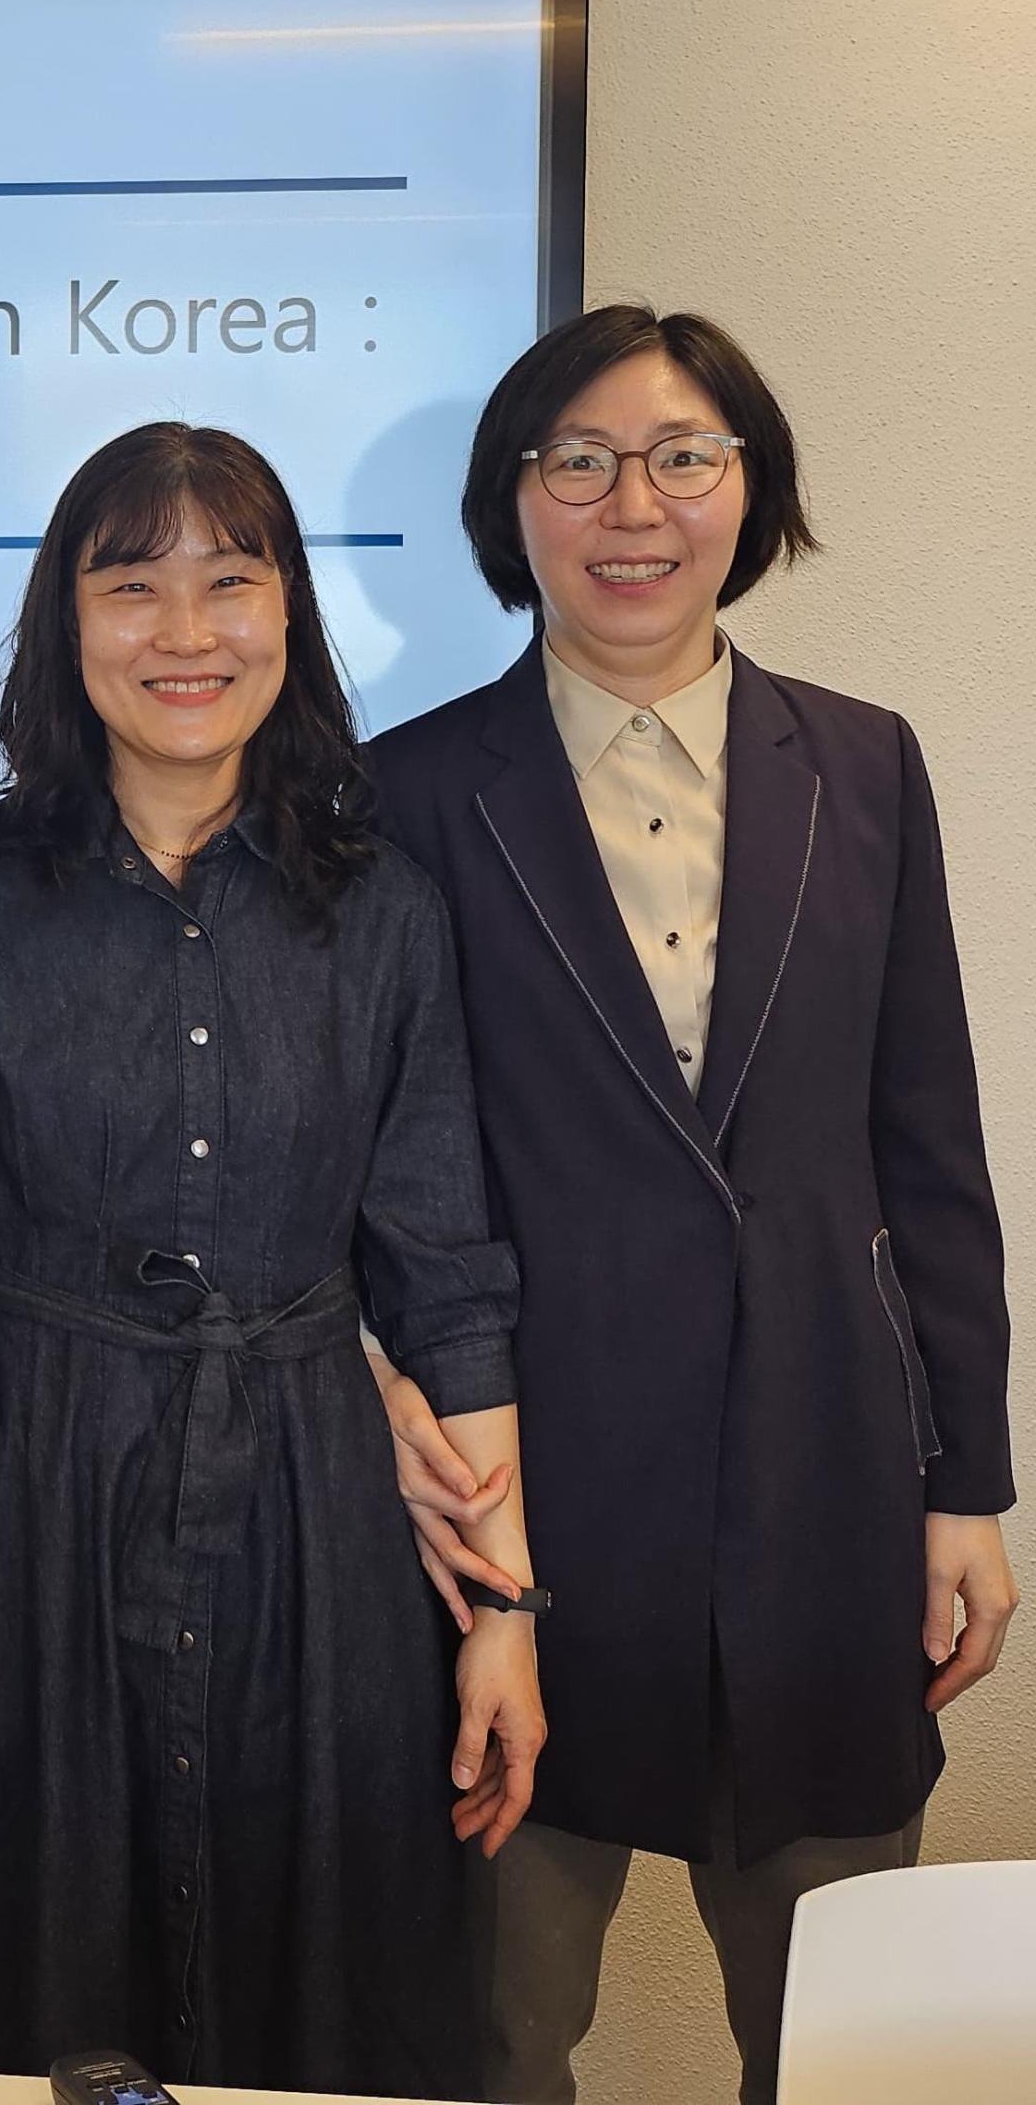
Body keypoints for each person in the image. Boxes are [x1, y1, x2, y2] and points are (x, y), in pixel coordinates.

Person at [0, 423, 544, 2098]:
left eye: (231, 580)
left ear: (290, 615)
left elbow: (446, 1281)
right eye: (133, 586)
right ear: (68, 624)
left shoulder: (388, 910)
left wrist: (503, 1618)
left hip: (316, 1533)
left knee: (315, 1994)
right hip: (24, 1507)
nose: (184, 631)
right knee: (4, 1981)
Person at [368, 305, 1019, 2105]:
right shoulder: (408, 794)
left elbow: (928, 1141)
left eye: (681, 455)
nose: (629, 502)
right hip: (526, 1508)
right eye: (574, 459)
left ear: (750, 490)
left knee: (841, 2044)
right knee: (490, 2038)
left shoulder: (867, 764)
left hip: (822, 1475)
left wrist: (966, 1479)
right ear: (517, 503)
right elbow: (364, 1168)